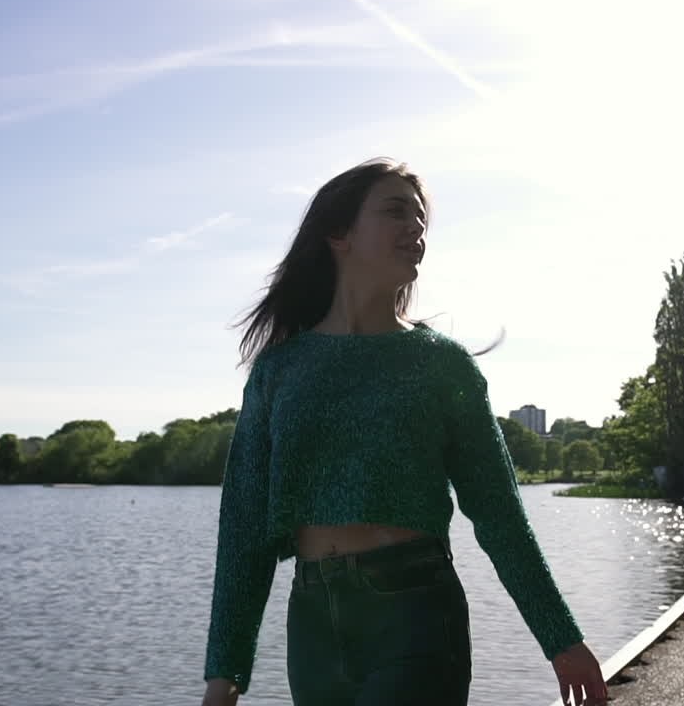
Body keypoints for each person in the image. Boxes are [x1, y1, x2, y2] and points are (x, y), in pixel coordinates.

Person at [201, 158, 608, 706]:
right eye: (395, 213)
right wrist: (223, 675)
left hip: (414, 612)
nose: (415, 230)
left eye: (420, 221)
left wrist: (561, 637)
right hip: (313, 626)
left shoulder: (443, 366)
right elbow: (244, 527)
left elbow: (499, 513)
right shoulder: (278, 371)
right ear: (339, 232)